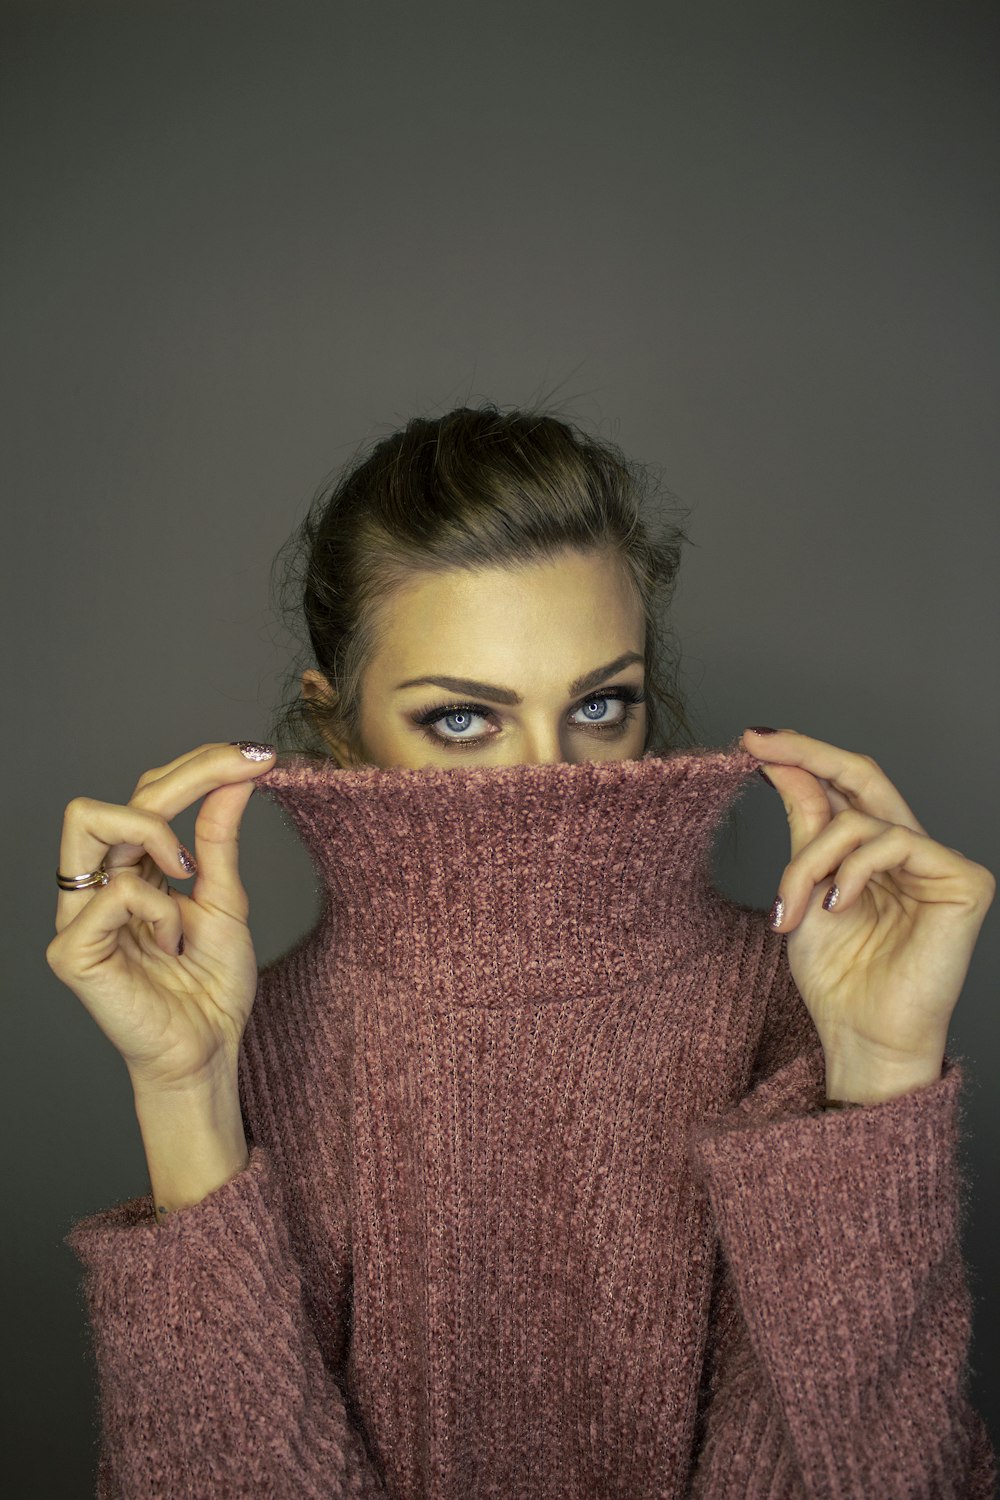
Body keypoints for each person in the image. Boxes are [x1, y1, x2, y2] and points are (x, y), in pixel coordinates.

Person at [49, 404, 996, 1498]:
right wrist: (182, 1093)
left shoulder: (803, 1006)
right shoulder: (249, 1040)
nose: (555, 775)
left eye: (601, 703)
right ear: (337, 723)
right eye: (463, 719)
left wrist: (878, 1079)